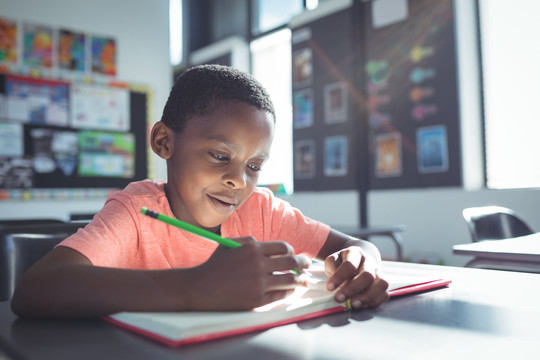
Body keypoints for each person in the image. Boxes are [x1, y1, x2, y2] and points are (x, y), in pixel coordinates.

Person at [11, 65, 388, 318]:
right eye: (220, 156)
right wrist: (196, 286)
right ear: (163, 142)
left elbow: (358, 247)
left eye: (254, 166)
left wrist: (360, 263)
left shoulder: (260, 210)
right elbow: (34, 289)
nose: (239, 181)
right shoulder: (137, 212)